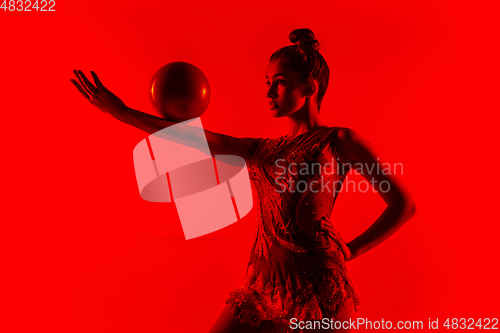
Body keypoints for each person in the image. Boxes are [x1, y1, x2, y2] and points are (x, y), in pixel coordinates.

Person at [71, 28, 417, 333]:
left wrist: (353, 249)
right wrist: (122, 113)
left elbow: (403, 204)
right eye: (267, 83)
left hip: (318, 282)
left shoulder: (339, 141)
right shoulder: (260, 150)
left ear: (309, 86)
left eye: (279, 82)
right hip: (264, 282)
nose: (269, 92)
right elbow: (196, 138)